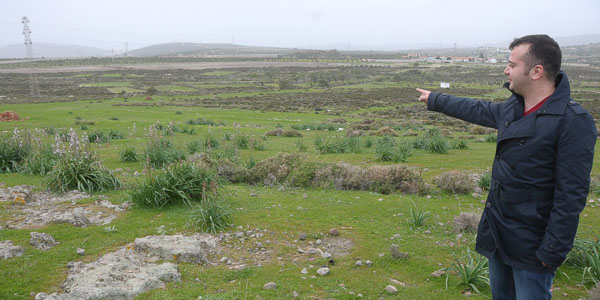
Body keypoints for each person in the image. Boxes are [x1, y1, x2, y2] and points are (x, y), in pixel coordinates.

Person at [416, 34, 597, 299]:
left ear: (536, 71)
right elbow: (476, 109)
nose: (506, 70)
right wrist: (435, 99)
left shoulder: (573, 121)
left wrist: (552, 250)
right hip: (499, 232)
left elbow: (571, 195)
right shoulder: (513, 108)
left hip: (534, 244)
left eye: (512, 64)